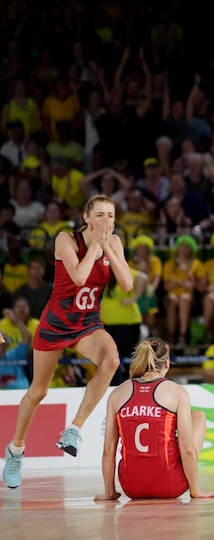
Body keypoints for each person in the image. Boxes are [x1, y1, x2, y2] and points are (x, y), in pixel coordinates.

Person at [3, 195, 133, 489]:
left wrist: (110, 250)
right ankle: (16, 449)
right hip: (57, 322)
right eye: (100, 215)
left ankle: (74, 429)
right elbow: (79, 277)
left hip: (87, 322)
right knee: (38, 391)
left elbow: (127, 284)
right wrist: (97, 247)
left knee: (112, 361)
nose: (107, 222)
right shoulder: (66, 239)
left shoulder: (114, 242)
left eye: (111, 216)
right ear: (87, 218)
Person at [95, 338, 213, 500]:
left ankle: (111, 490)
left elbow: (108, 451)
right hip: (170, 485)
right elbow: (187, 449)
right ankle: (193, 486)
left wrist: (109, 492)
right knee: (198, 416)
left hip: (132, 488)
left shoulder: (117, 393)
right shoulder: (176, 392)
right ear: (166, 364)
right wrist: (195, 491)